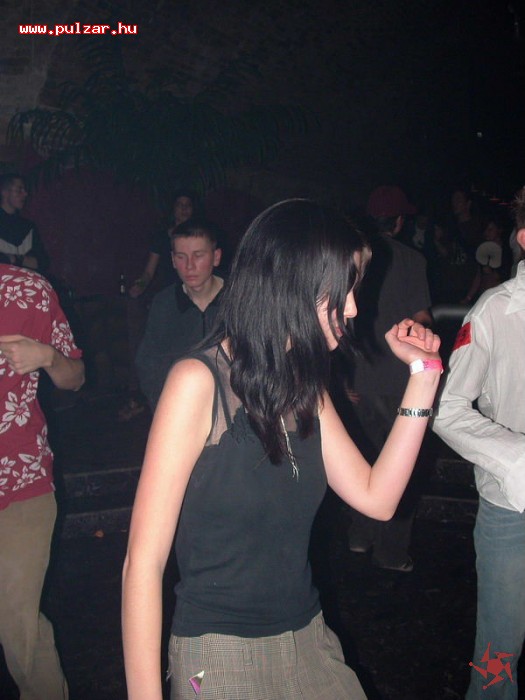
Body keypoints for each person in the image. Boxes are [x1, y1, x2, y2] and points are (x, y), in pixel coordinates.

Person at [122, 199, 442, 700]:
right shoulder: (198, 382)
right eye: (341, 289)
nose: (353, 308)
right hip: (218, 652)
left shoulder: (305, 386)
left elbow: (377, 498)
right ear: (292, 283)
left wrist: (423, 378)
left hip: (308, 638)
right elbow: (142, 562)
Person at [433, 186, 525, 700]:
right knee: (497, 658)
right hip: (512, 511)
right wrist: (517, 461)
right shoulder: (493, 311)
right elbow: (448, 409)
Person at [0, 262, 85, 700]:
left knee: (18, 626)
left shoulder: (27, 289)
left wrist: (47, 356)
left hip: (20, 482)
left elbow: (75, 378)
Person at [346, 185, 433, 572]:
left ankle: (359, 537)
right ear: (398, 222)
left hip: (358, 380)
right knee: (400, 468)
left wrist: (342, 381)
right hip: (400, 384)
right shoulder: (412, 259)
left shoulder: (352, 256)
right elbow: (422, 318)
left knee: (361, 460)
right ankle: (392, 553)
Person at [118, 190, 196, 421]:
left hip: (195, 298)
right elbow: (148, 273)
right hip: (170, 300)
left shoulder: (201, 236)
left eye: (188, 205)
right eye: (180, 204)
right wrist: (139, 286)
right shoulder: (163, 237)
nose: (184, 209)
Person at [136, 219, 224, 410]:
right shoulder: (164, 304)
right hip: (181, 410)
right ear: (173, 260)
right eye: (181, 257)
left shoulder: (239, 301)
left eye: (198, 256)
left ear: (216, 257)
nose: (189, 266)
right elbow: (148, 365)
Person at [0, 173, 50, 272]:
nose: (25, 194)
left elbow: (43, 262)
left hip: (24, 281)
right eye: (19, 190)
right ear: (4, 192)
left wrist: (16, 259)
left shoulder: (28, 227)